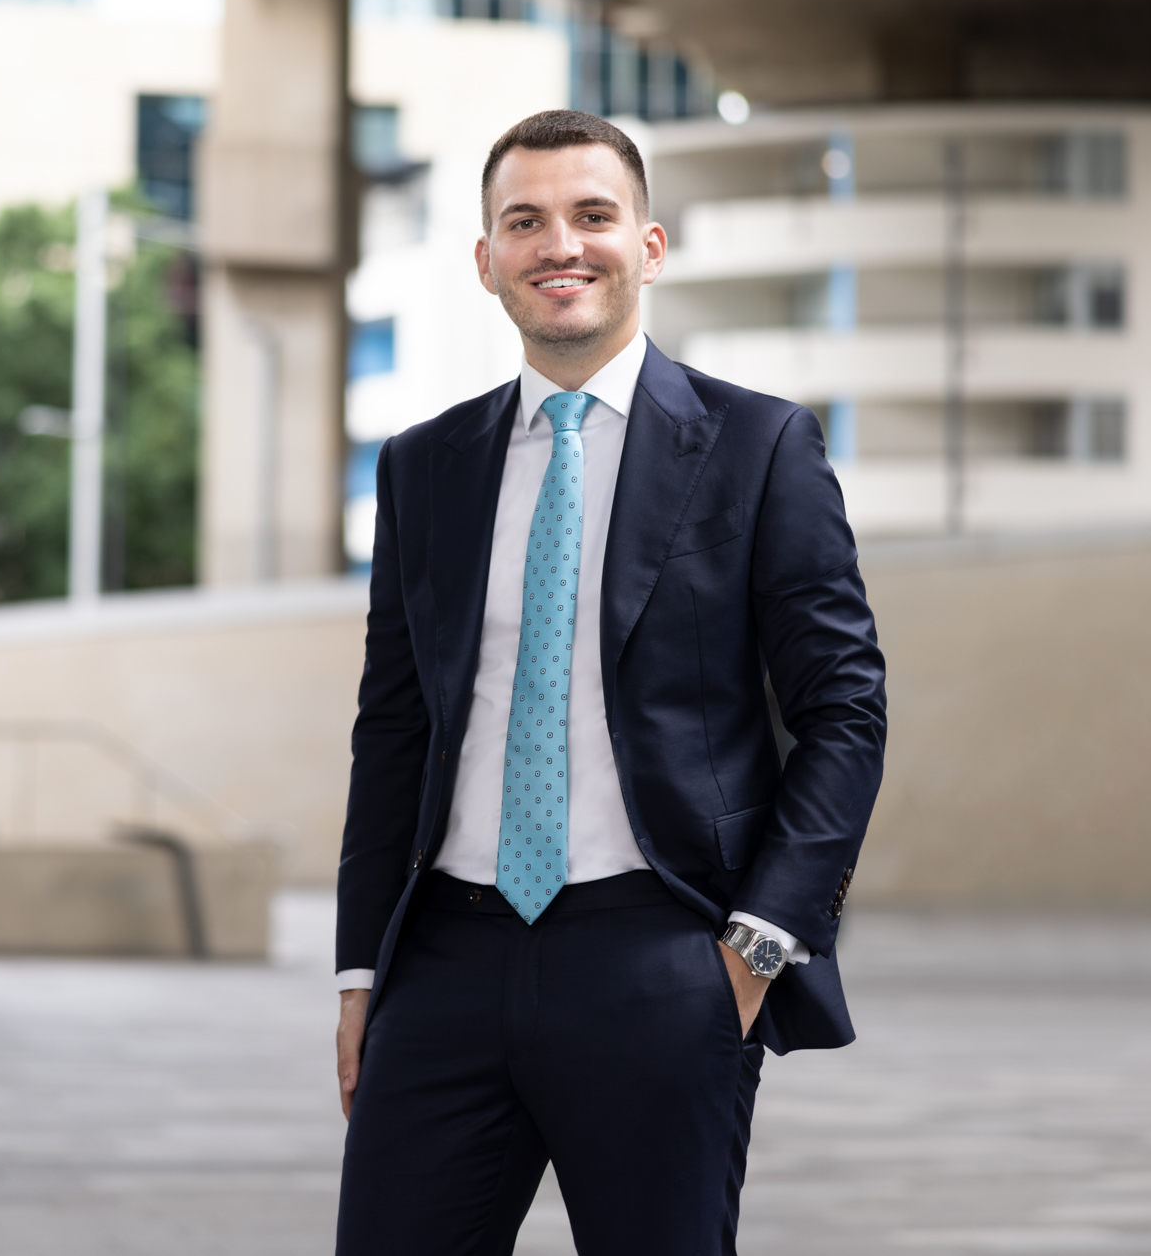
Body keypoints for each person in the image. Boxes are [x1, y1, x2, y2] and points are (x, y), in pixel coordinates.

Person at [332, 109, 887, 1256]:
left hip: (660, 956)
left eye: (592, 215)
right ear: (485, 261)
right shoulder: (422, 464)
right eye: (523, 221)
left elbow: (843, 708)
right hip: (443, 957)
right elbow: (392, 727)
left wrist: (757, 947)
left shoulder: (756, 445)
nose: (559, 245)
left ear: (648, 244)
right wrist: (358, 971)